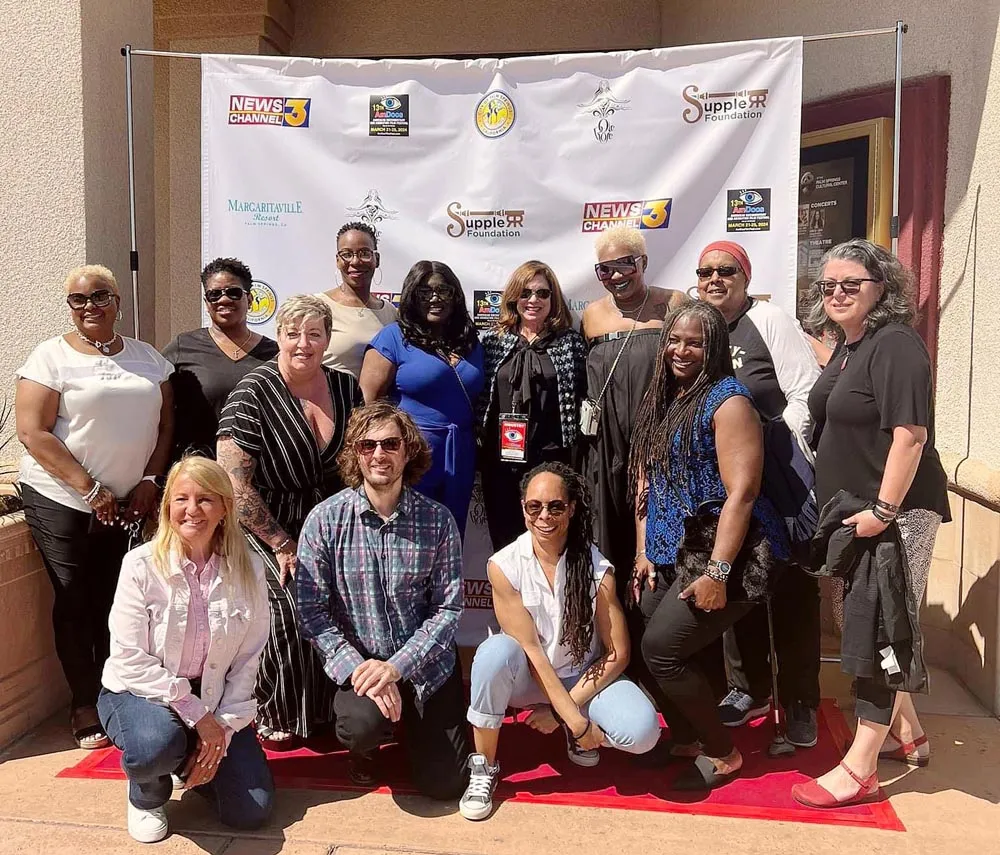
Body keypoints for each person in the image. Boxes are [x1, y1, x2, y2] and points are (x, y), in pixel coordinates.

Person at [792, 239, 949, 809]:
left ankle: (860, 769)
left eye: (850, 284)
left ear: (882, 288)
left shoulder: (896, 345)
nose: (836, 293)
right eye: (828, 285)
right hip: (855, 512)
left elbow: (911, 436)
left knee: (878, 629)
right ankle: (909, 733)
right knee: (860, 620)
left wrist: (883, 512)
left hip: (894, 514)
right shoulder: (850, 344)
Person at [630, 302, 790, 791]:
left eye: (695, 342)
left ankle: (723, 753)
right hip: (667, 548)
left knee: (662, 650)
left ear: (715, 347)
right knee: (652, 641)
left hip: (729, 554)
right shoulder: (665, 396)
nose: (681, 350)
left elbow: (743, 493)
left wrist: (717, 574)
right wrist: (642, 550)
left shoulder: (729, 402)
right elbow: (647, 481)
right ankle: (686, 738)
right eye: (674, 340)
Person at [15, 264, 173, 751]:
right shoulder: (50, 357)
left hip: (127, 501)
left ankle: (115, 693)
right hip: (62, 498)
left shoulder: (148, 358)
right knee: (76, 599)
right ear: (69, 306)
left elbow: (165, 425)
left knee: (117, 598)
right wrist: (89, 489)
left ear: (117, 301)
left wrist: (149, 480)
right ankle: (84, 702)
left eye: (100, 296)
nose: (90, 306)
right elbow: (32, 431)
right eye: (78, 299)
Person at [460, 462, 660, 822]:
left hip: (581, 677)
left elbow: (618, 653)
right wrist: (578, 724)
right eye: (534, 506)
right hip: (528, 677)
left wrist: (562, 713)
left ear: (571, 509)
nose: (544, 516)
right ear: (523, 508)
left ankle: (571, 724)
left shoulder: (597, 568)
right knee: (493, 653)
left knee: (644, 733)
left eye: (555, 506)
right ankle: (483, 767)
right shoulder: (503, 565)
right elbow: (532, 652)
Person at [296, 402, 469, 797]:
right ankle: (367, 749)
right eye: (367, 445)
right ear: (355, 454)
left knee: (445, 785)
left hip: (425, 667)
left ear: (408, 452)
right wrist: (361, 669)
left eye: (390, 444)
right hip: (362, 668)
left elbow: (447, 610)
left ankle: (415, 732)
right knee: (360, 726)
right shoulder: (324, 520)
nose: (379, 454)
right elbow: (310, 610)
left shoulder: (437, 520)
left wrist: (396, 668)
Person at [97, 456, 273, 843]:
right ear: (167, 507)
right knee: (155, 744)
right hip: (141, 693)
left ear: (225, 509)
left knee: (250, 812)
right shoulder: (139, 565)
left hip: (214, 696)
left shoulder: (250, 568)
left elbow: (249, 659)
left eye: (205, 499)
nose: (192, 510)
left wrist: (221, 730)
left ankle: (191, 765)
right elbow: (130, 660)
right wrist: (199, 718)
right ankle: (146, 795)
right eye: (181, 499)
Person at [217, 294, 363, 744]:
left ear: (327, 340)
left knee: (346, 599)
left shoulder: (346, 388)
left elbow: (359, 463)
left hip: (330, 521)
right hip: (264, 522)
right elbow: (234, 484)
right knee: (288, 602)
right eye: (293, 333)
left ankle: (331, 711)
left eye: (314, 334)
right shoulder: (253, 391)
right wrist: (282, 544)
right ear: (279, 336)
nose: (304, 343)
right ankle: (278, 711)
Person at [694, 241, 823, 746]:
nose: (715, 279)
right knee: (738, 579)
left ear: (745, 277)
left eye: (726, 270)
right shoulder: (701, 328)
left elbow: (804, 391)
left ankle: (800, 700)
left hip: (777, 477)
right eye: (705, 271)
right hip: (724, 483)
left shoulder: (768, 319)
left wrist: (771, 445)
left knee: (791, 590)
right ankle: (748, 687)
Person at [580, 225, 688, 611]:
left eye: (625, 264)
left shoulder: (673, 303)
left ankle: (659, 622)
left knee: (659, 526)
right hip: (606, 441)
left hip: (659, 434)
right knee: (607, 533)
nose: (616, 275)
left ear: (643, 262)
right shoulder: (591, 315)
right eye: (604, 269)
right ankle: (614, 628)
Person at [360, 260, 484, 537]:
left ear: (456, 296)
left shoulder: (470, 341)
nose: (435, 299)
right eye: (425, 292)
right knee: (407, 536)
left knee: (452, 535)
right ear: (411, 296)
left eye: (443, 291)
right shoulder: (392, 338)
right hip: (410, 457)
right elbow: (369, 405)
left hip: (460, 456)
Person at [478, 261, 587, 550]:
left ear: (553, 299)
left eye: (542, 293)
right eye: (525, 293)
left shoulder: (570, 343)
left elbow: (580, 397)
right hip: (501, 462)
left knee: (551, 539)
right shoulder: (493, 341)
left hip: (551, 458)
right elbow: (482, 398)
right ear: (514, 297)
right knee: (506, 542)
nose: (533, 300)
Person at [163, 258, 278, 460]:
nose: (223, 300)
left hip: (259, 471)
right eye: (214, 294)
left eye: (233, 292)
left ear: (250, 299)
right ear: (206, 303)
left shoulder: (275, 354)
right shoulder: (183, 347)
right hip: (198, 470)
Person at [315, 222, 398, 378]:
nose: (355, 261)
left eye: (364, 253)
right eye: (346, 254)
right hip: (328, 393)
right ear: (337, 260)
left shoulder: (390, 313)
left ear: (377, 259)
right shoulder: (317, 307)